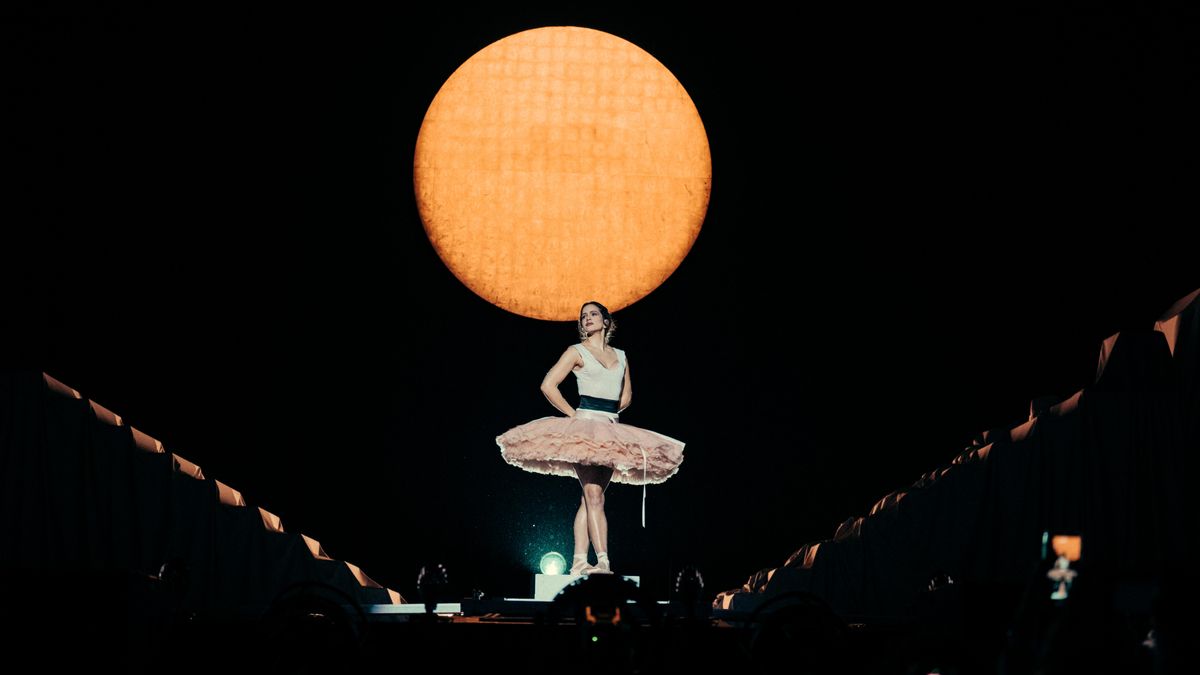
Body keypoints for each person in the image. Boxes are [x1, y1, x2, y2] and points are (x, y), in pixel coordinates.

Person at [495, 301, 685, 576]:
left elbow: (627, 396)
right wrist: (575, 416)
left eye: (593, 314)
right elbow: (548, 385)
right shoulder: (576, 351)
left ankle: (579, 562)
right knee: (594, 496)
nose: (587, 319)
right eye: (584, 316)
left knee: (589, 499)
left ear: (606, 321)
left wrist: (608, 417)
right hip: (584, 430)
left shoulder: (621, 355)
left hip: (609, 430)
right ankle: (604, 562)